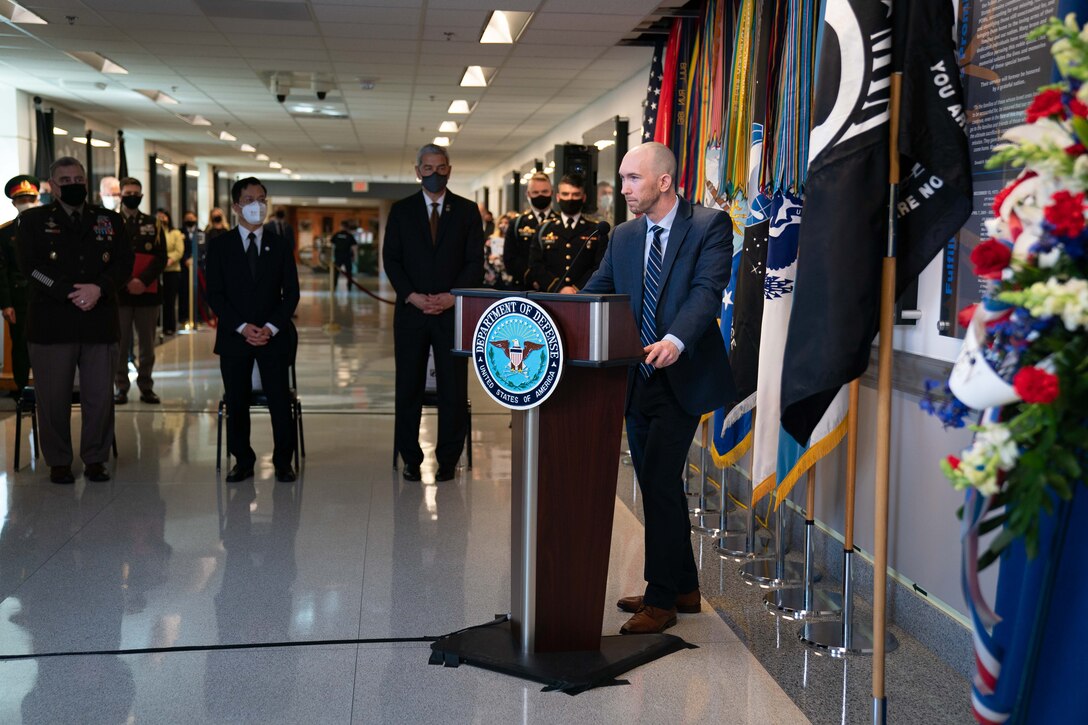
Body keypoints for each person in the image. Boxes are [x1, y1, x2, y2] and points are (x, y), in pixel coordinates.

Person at [581, 142, 734, 635]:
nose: (622, 188)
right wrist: (555, 313)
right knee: (653, 482)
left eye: (631, 179)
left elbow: (706, 291)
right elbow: (601, 288)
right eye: (623, 179)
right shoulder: (624, 235)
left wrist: (675, 339)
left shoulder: (709, 226)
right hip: (637, 377)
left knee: (662, 481)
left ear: (663, 181)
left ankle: (661, 598)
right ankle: (686, 586)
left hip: (682, 374)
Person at [17, 156, 133, 484]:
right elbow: (31, 267)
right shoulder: (34, 221)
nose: (73, 185)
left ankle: (96, 458)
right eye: (65, 181)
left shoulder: (109, 220)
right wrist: (68, 292)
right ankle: (59, 461)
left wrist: (99, 288)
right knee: (53, 399)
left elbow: (124, 263)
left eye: (78, 179)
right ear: (52, 187)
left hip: (99, 321)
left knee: (99, 397)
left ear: (86, 181)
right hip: (52, 324)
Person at [383, 143, 483, 482]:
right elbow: (391, 260)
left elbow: (475, 262)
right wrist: (412, 296)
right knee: (408, 387)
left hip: (451, 314)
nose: (434, 174)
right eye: (428, 168)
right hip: (411, 314)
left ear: (449, 170)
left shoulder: (468, 212)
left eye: (441, 168)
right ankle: (411, 457)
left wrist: (452, 297)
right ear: (418, 171)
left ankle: (448, 459)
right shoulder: (401, 210)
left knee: (453, 390)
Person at [205, 177, 300, 484]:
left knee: (278, 400)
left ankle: (283, 461)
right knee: (236, 400)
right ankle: (242, 459)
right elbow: (215, 295)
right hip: (235, 337)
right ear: (236, 207)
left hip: (274, 338)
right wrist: (244, 327)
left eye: (261, 199)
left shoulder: (281, 245)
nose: (257, 205)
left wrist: (270, 328)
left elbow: (292, 294)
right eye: (249, 200)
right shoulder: (220, 246)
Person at [114, 177, 166, 405]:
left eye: (136, 192)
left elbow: (160, 258)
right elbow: (106, 258)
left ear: (142, 195)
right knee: (120, 343)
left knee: (147, 345)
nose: (132, 196)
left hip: (147, 293)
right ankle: (121, 387)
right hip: (120, 294)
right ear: (121, 194)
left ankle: (146, 385)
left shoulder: (153, 223)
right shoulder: (110, 222)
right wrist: (127, 281)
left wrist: (142, 281)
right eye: (128, 192)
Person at [525, 173, 605, 293]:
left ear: (583, 198)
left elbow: (600, 266)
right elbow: (535, 265)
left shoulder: (595, 230)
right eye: (565, 194)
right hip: (550, 296)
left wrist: (577, 288)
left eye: (575, 194)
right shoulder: (544, 229)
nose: (570, 199)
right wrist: (559, 288)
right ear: (557, 197)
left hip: (584, 295)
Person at [0, 175, 39, 394]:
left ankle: (49, 389)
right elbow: (2, 270)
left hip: (48, 297)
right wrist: (6, 304)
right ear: (13, 202)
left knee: (48, 345)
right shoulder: (4, 233)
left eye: (30, 198)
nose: (26, 202)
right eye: (21, 199)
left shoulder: (50, 229)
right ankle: (23, 390)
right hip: (19, 298)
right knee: (21, 347)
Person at [502, 172, 557, 290]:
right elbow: (510, 259)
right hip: (523, 287)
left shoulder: (559, 222)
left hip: (554, 287)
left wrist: (546, 282)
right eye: (536, 192)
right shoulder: (517, 223)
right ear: (528, 194)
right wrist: (532, 279)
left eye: (544, 192)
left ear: (552, 192)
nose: (540, 196)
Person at [158, 209, 185, 335]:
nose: (162, 219)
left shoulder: (175, 233)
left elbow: (179, 251)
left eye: (164, 216)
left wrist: (168, 259)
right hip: (158, 271)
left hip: (172, 270)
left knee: (170, 300)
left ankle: (170, 326)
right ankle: (160, 325)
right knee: (160, 300)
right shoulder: (156, 232)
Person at [178, 209, 202, 327]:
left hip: (197, 267)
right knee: (184, 292)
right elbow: (179, 249)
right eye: (187, 219)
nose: (190, 221)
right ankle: (184, 317)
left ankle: (198, 317)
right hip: (184, 267)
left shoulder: (200, 233)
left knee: (198, 292)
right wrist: (185, 260)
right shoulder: (179, 232)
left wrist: (196, 259)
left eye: (192, 218)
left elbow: (203, 248)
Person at [329, 220, 357, 291]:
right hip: (347, 256)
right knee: (349, 273)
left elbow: (332, 245)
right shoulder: (349, 236)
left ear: (341, 226)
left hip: (338, 256)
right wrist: (355, 257)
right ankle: (349, 287)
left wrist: (331, 256)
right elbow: (354, 247)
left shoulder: (336, 235)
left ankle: (334, 286)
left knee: (336, 273)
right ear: (347, 227)